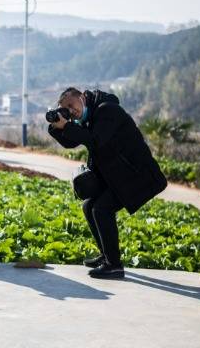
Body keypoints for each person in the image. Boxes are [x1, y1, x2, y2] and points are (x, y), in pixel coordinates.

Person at [48, 87, 167, 279]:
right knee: (89, 205)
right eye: (66, 109)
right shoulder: (88, 117)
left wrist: (68, 127)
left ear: (82, 97)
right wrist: (56, 127)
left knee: (102, 208)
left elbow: (95, 141)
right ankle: (106, 256)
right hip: (120, 175)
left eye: (71, 105)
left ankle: (114, 265)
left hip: (138, 175)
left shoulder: (107, 110)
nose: (71, 111)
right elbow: (71, 142)